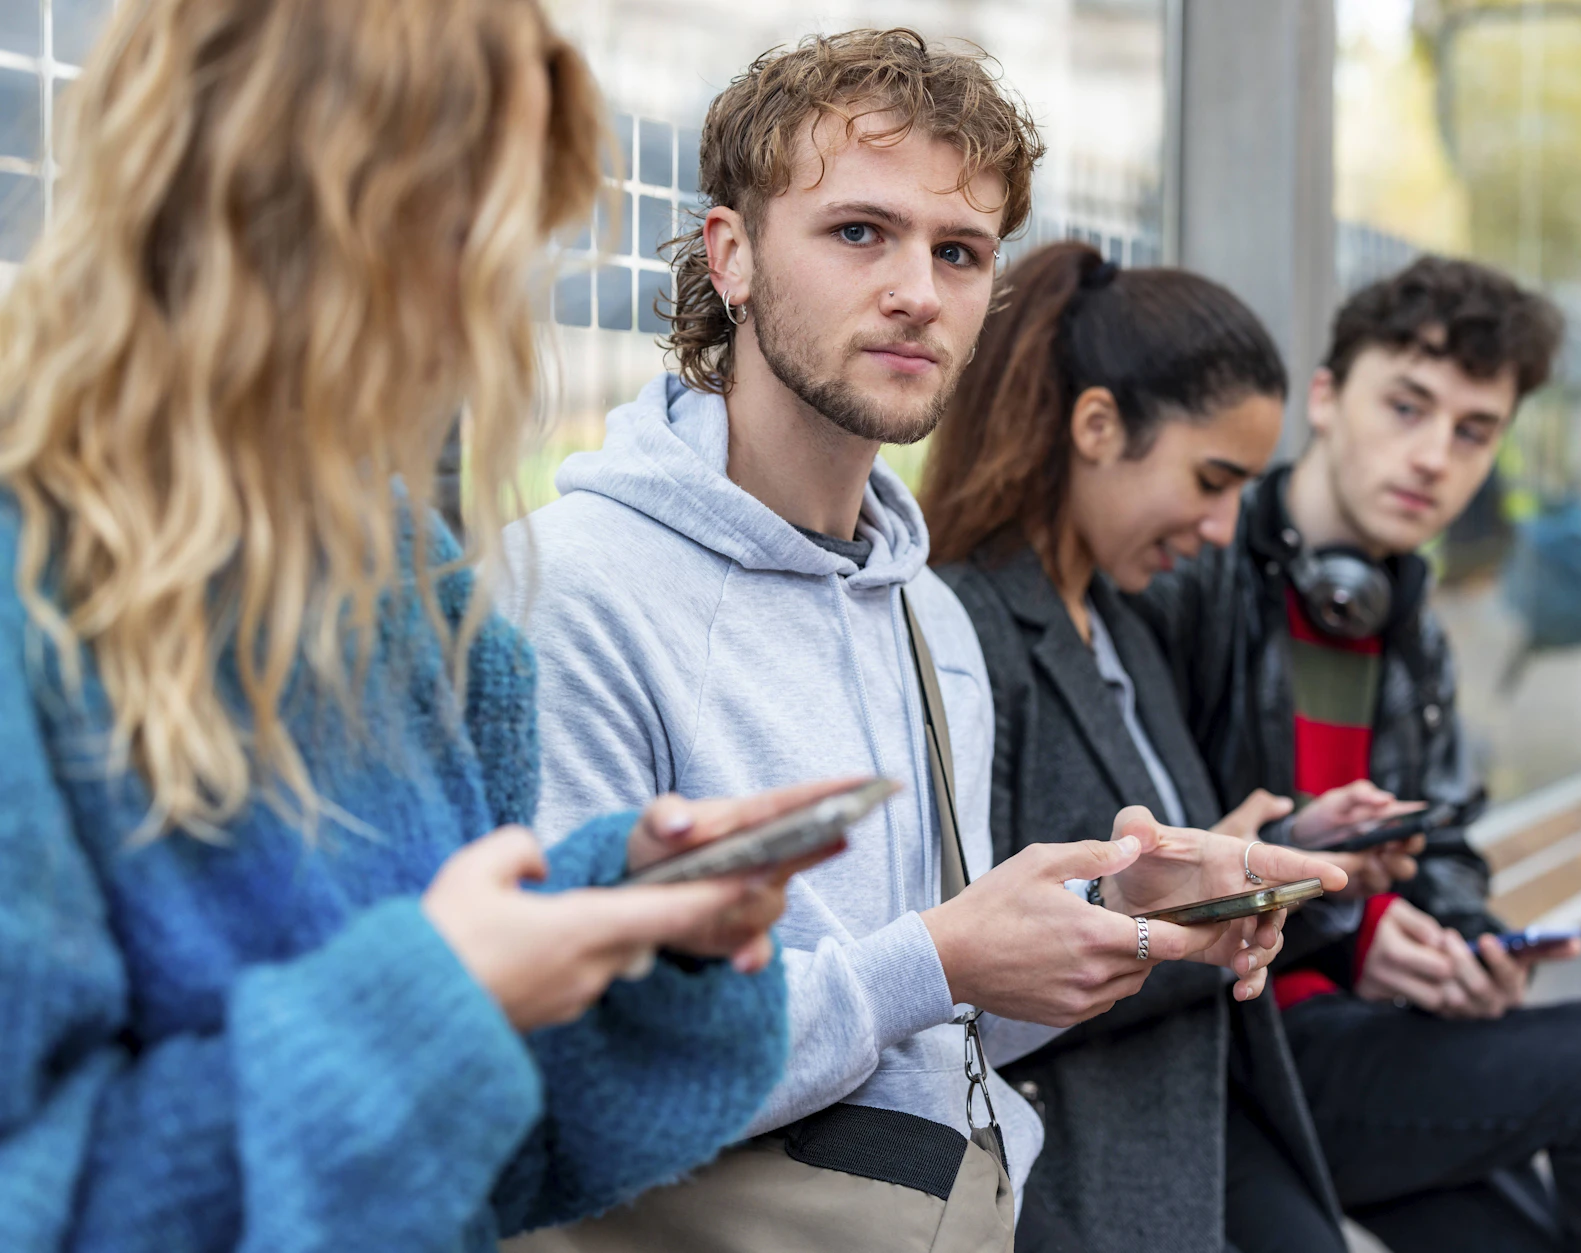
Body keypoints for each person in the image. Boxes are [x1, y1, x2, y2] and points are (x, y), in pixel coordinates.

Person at [0, 3, 829, 1249]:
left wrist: (624, 920)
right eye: (455, 238)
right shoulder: (32, 578)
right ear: (268, 206)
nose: (481, 318)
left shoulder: (409, 589)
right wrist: (434, 999)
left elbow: (500, 1152)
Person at [504, 29, 1332, 1250]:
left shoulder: (927, 612)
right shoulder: (572, 588)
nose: (914, 291)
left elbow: (936, 1029)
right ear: (728, 254)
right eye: (857, 232)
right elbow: (582, 1077)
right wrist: (933, 959)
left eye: (957, 251)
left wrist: (1129, 916)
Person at [1134, 256, 1581, 1253]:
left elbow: (1440, 840)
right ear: (1323, 397)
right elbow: (1153, 853)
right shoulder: (1194, 568)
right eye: (1405, 406)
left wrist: (1472, 949)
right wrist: (1348, 923)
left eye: (1472, 430)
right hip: (1227, 1045)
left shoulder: (1409, 620)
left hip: (1362, 1038)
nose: (1433, 454)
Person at [925, 240, 1413, 1253]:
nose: (1225, 525)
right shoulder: (964, 624)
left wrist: (1262, 860)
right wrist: (1193, 903)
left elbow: (1150, 855)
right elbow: (980, 959)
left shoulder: (1124, 621)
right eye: (1210, 477)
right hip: (1074, 1162)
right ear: (1097, 425)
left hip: (1190, 1121)